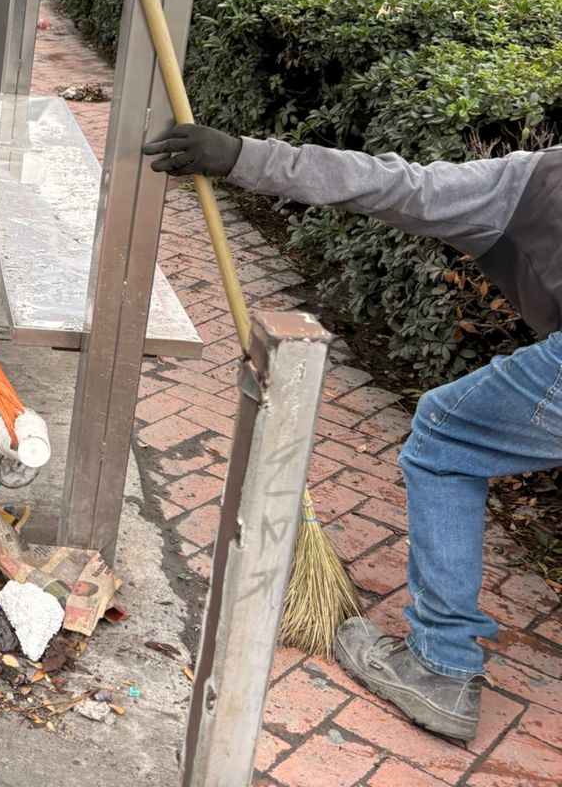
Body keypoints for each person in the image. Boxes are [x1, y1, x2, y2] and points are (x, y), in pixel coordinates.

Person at [144, 121, 562, 744]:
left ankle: (441, 666)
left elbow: (398, 187)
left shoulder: (541, 180)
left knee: (446, 444)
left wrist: (240, 156)